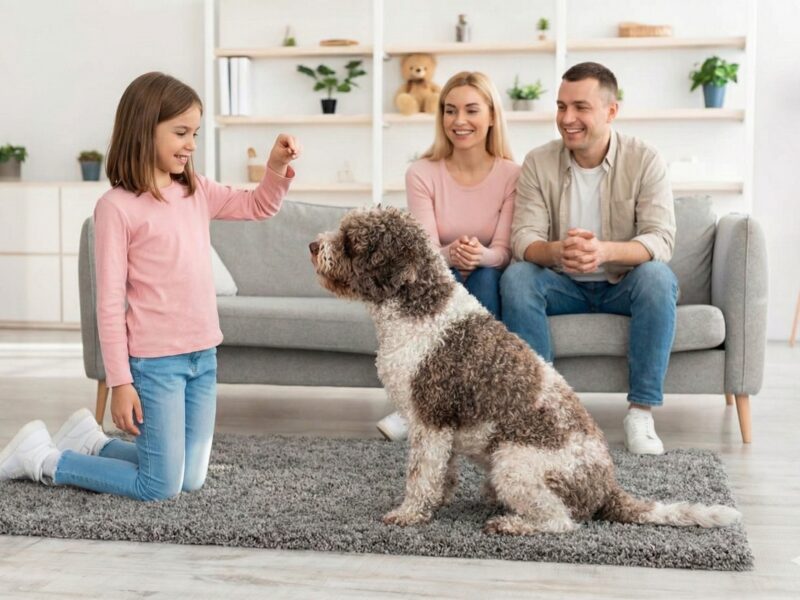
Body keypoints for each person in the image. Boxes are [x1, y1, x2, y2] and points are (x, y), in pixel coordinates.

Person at [0, 72, 300, 499]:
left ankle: (92, 443)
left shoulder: (196, 190)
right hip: (155, 364)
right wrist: (120, 382)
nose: (191, 144)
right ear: (144, 130)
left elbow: (258, 205)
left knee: (190, 479)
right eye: (180, 132)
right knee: (159, 486)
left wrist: (274, 168)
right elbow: (108, 304)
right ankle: (45, 460)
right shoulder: (116, 208)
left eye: (194, 133)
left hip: (203, 356)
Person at [500, 62, 677, 455]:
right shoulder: (537, 161)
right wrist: (559, 251)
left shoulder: (645, 159)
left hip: (621, 285)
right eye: (561, 107)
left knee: (658, 278)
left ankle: (641, 413)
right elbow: (523, 239)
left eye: (580, 107)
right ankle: (541, 411)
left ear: (611, 111)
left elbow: (660, 238)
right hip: (562, 286)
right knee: (517, 277)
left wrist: (603, 251)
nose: (567, 118)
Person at [376, 71, 520, 441]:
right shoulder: (422, 173)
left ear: (491, 115)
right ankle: (422, 404)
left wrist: (481, 256)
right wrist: (451, 253)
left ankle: (449, 403)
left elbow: (504, 252)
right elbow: (424, 252)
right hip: (439, 277)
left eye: (471, 110)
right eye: (450, 111)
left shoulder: (513, 175)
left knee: (486, 278)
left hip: (488, 277)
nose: (459, 121)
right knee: (442, 279)